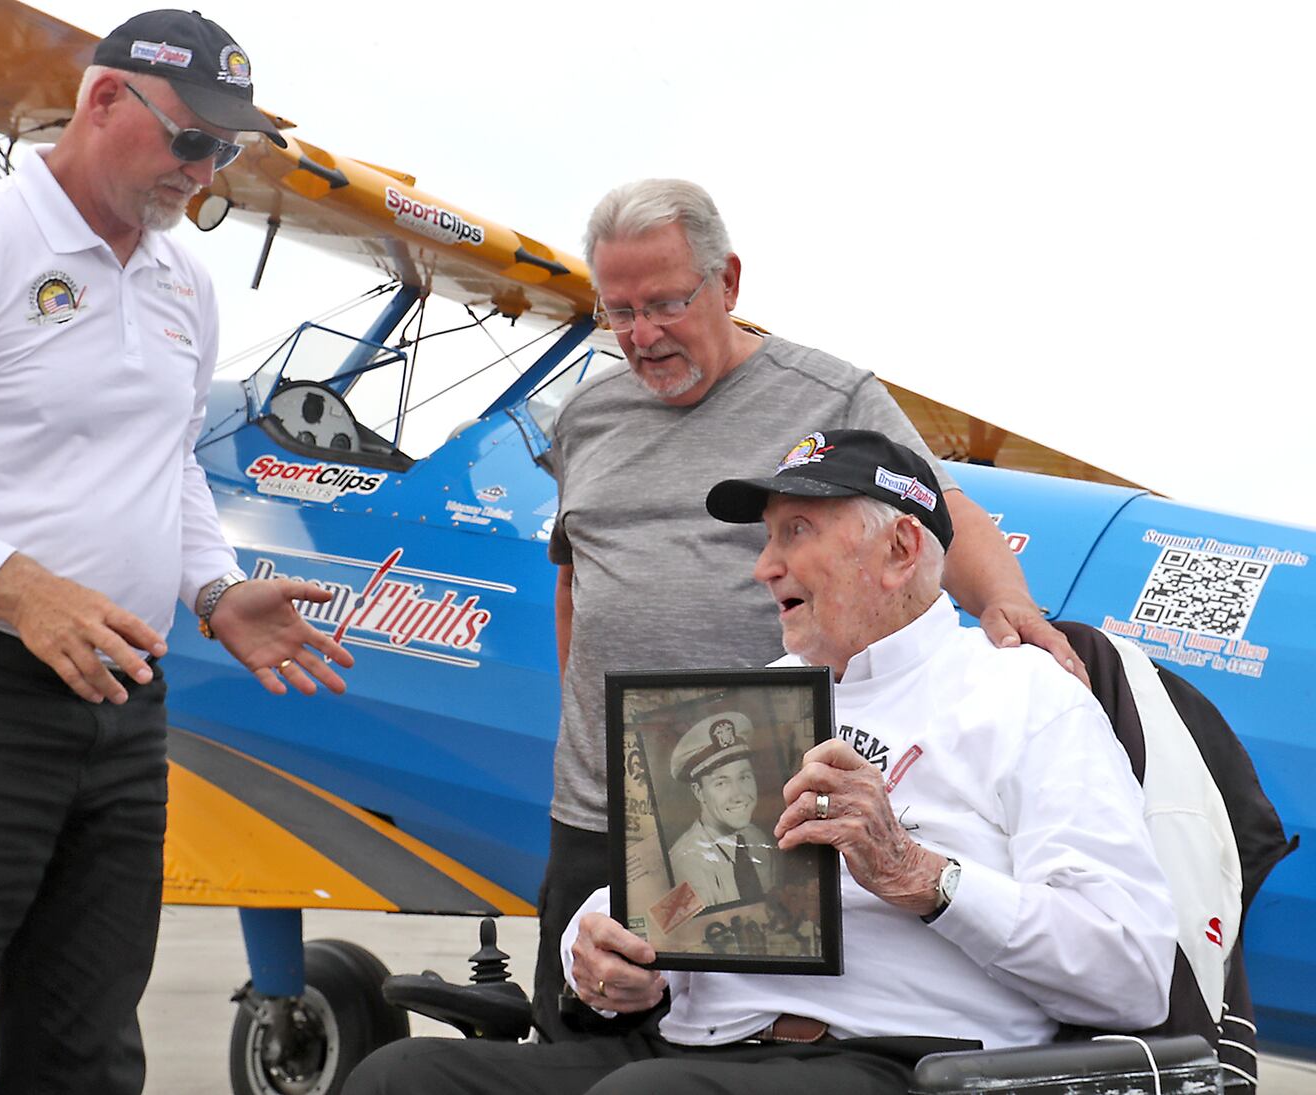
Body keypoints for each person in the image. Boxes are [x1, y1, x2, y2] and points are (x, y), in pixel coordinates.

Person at [0, 11, 354, 1093]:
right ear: (101, 101)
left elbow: (168, 462)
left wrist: (213, 586)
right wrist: (16, 588)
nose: (204, 171)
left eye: (224, 151)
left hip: (118, 706)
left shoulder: (186, 284)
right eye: (190, 141)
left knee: (85, 1058)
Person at [347, 429, 1176, 1095]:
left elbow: (1132, 974)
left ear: (898, 549)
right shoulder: (744, 701)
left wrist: (922, 873)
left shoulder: (1023, 695)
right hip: (685, 1046)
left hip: (905, 1061)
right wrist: (592, 949)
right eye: (767, 535)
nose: (763, 565)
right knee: (401, 1074)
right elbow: (653, 889)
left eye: (797, 532)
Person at [535, 177, 1088, 1039]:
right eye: (618, 311)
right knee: (572, 1043)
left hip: (756, 806)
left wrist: (1011, 607)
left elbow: (937, 508)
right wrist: (583, 722)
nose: (641, 335)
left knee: (693, 1064)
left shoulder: (829, 395)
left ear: (728, 284)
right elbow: (576, 575)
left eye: (667, 303)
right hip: (597, 808)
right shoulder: (586, 416)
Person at [664, 712, 775, 907]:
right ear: (698, 791)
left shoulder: (758, 841)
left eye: (744, 777)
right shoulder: (684, 865)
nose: (739, 794)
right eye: (721, 783)